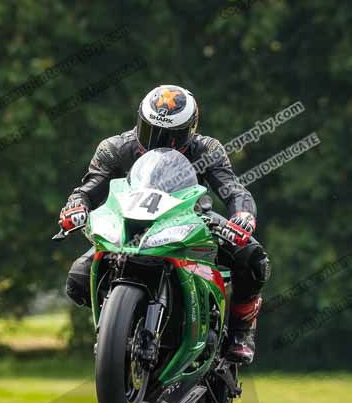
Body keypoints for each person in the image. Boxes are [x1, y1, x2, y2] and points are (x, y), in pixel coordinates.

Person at [59, 85, 271, 364]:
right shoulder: (114, 148)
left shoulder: (207, 149)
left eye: (171, 136)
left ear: (190, 131)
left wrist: (242, 215)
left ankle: (241, 332)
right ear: (140, 122)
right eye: (152, 131)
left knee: (254, 260)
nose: (160, 141)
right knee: (77, 280)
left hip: (191, 221)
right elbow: (88, 188)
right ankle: (118, 326)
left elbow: (233, 190)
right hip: (133, 225)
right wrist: (77, 205)